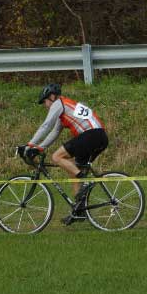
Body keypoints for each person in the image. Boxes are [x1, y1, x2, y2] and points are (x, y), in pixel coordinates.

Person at [17, 83, 109, 224]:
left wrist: (30, 145)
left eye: (45, 102)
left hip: (91, 135)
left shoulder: (58, 104)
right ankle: (79, 211)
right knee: (74, 169)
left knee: (57, 157)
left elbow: (46, 125)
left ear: (52, 97)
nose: (45, 105)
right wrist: (39, 147)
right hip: (99, 136)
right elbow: (54, 132)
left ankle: (83, 182)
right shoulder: (64, 107)